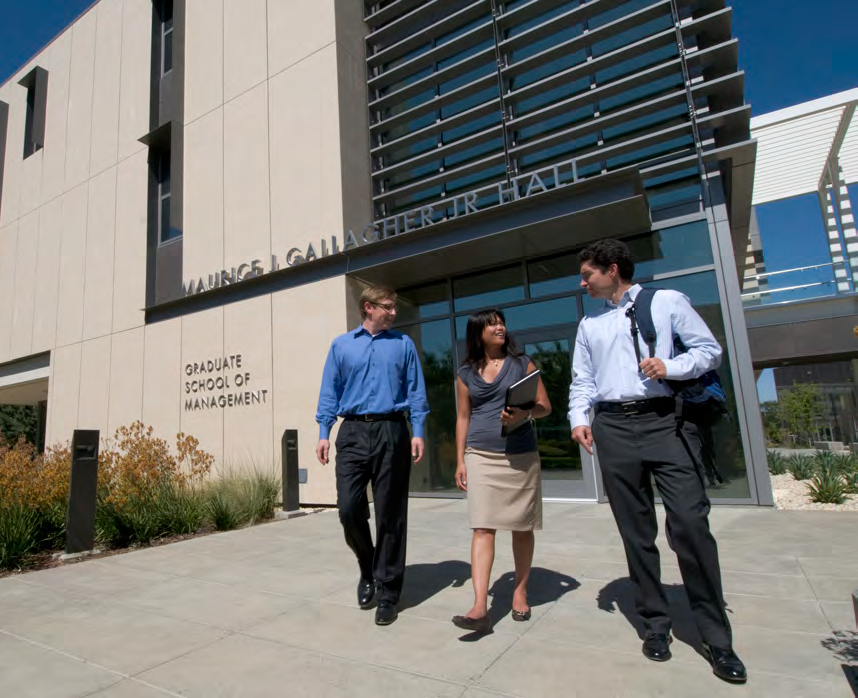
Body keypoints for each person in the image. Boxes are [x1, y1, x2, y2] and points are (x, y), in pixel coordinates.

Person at [568, 238, 746, 684]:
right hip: (612, 427)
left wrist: (671, 367)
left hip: (666, 422)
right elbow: (581, 380)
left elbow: (709, 351)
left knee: (690, 523)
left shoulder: (665, 301)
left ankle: (717, 639)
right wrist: (578, 419)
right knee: (636, 532)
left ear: (612, 268)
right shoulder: (590, 324)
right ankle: (655, 625)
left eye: (588, 273)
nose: (583, 281)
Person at [315, 284, 429, 626]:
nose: (393, 312)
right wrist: (324, 431)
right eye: (387, 307)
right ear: (368, 308)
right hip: (351, 431)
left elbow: (416, 391)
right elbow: (328, 392)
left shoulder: (403, 344)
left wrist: (418, 431)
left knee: (390, 514)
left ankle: (389, 592)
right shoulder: (341, 345)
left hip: (392, 430)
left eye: (394, 307)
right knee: (349, 509)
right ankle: (368, 566)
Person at [452, 310, 551, 634]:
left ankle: (520, 591)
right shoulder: (465, 373)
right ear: (477, 332)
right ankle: (480, 606)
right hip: (480, 454)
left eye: (501, 321)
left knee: (522, 528)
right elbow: (463, 418)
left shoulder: (524, 364)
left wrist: (522, 413)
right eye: (492, 323)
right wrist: (461, 460)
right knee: (483, 527)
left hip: (520, 456)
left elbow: (544, 407)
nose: (500, 327)